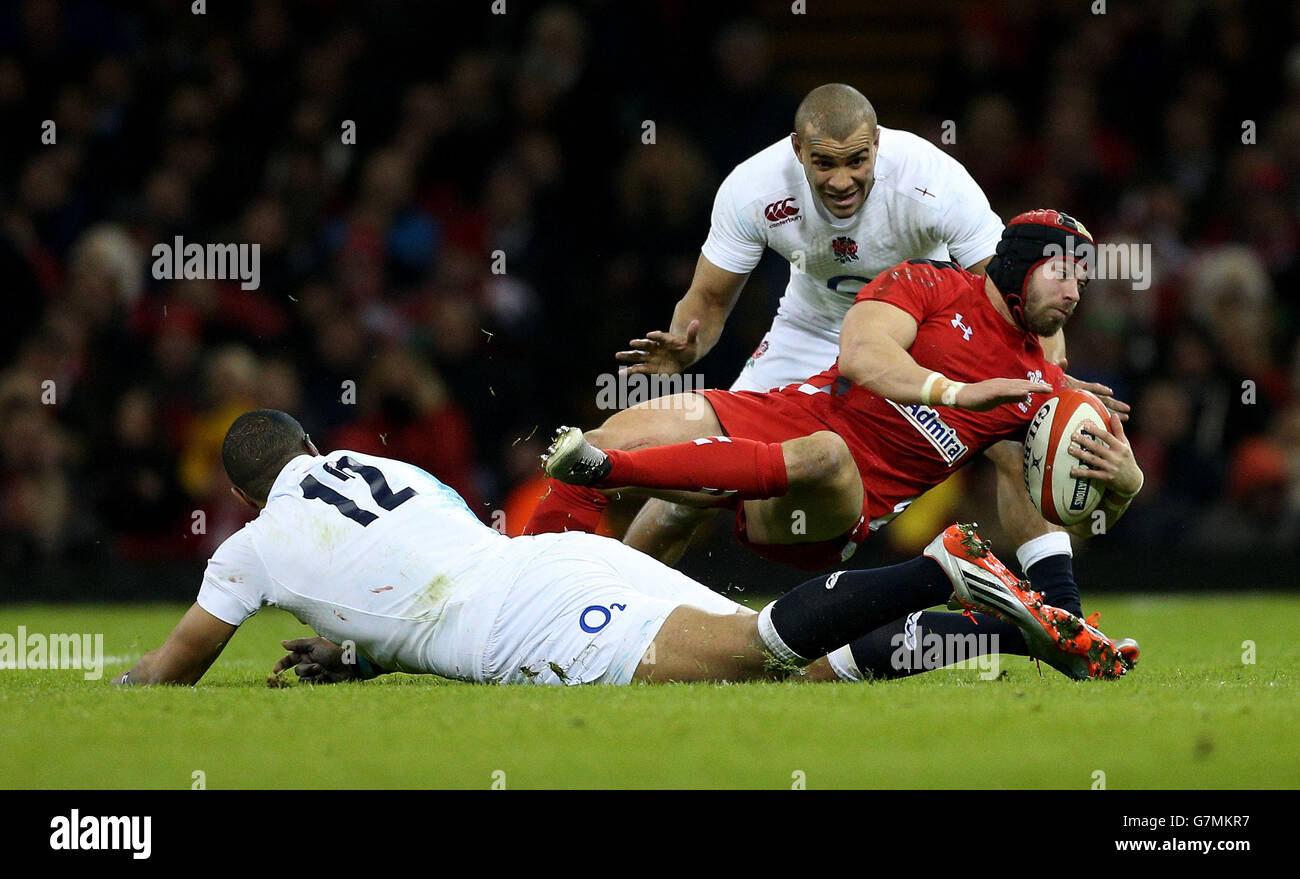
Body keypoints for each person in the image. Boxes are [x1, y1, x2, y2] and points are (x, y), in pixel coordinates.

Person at [554, 85, 1125, 621]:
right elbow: (706, 301)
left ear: (879, 145)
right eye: (824, 164)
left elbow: (1015, 296)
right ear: (797, 150)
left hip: (920, 327)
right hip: (811, 329)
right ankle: (611, 614)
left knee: (1016, 436)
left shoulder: (935, 181)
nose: (841, 180)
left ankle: (1060, 609)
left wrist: (1048, 381)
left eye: (857, 161)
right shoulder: (754, 187)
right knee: (685, 500)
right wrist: (688, 346)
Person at [110, 410, 1134, 688]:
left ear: (246, 487)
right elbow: (411, 579)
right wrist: (356, 650)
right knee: (806, 662)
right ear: (310, 448)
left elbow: (178, 666)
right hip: (542, 568)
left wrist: (124, 681)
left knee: (749, 658)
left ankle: (938, 566)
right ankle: (994, 630)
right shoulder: (393, 472)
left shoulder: (253, 541)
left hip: (522, 623)